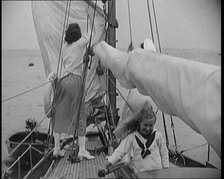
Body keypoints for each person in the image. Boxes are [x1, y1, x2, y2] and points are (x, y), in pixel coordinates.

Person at [44, 22, 94, 160]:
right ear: (78, 34)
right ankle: (82, 150)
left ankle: (56, 149)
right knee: (81, 114)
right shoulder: (80, 44)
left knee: (58, 114)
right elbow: (91, 34)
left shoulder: (64, 47)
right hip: (75, 81)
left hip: (62, 80)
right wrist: (91, 21)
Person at [103, 101, 169, 173]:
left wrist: (166, 168)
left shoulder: (157, 136)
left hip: (157, 172)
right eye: (145, 125)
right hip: (140, 173)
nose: (148, 128)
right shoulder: (133, 137)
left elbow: (164, 152)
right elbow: (120, 151)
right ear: (139, 123)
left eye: (151, 126)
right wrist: (107, 164)